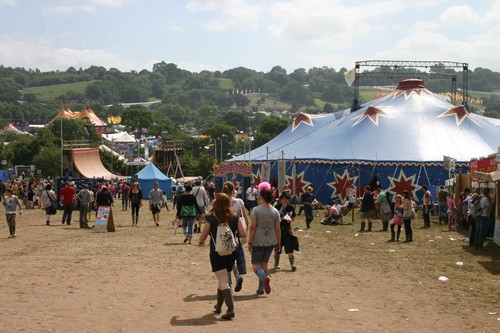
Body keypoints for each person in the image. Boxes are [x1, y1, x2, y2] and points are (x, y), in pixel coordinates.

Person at [198, 193, 247, 320]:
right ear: (228, 203)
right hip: (232, 251)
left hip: (217, 252)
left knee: (224, 281)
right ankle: (218, 306)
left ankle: (230, 309)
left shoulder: (210, 217)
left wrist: (201, 241)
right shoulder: (234, 216)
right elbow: (243, 234)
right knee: (223, 278)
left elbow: (203, 236)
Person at [248, 187, 281, 295]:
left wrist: (250, 241)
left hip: (258, 239)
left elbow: (253, 227)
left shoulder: (256, 210)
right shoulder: (275, 211)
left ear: (261, 197)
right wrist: (278, 243)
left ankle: (265, 277)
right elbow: (277, 229)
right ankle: (261, 288)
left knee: (256, 266)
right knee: (264, 264)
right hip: (271, 240)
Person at [222, 181, 249, 293]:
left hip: (223, 233)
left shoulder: (221, 202)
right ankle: (238, 275)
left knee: (225, 260)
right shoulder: (238, 202)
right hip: (236, 233)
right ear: (234, 190)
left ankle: (229, 286)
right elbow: (246, 218)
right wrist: (245, 229)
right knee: (233, 257)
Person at [274, 191, 297, 271]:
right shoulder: (277, 206)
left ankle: (292, 265)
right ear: (280, 199)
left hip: (287, 230)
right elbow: (274, 217)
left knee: (290, 247)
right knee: (278, 248)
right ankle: (276, 264)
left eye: (286, 199)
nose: (284, 200)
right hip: (278, 230)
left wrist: (291, 220)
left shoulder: (290, 207)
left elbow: (293, 216)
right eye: (283, 199)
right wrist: (280, 210)